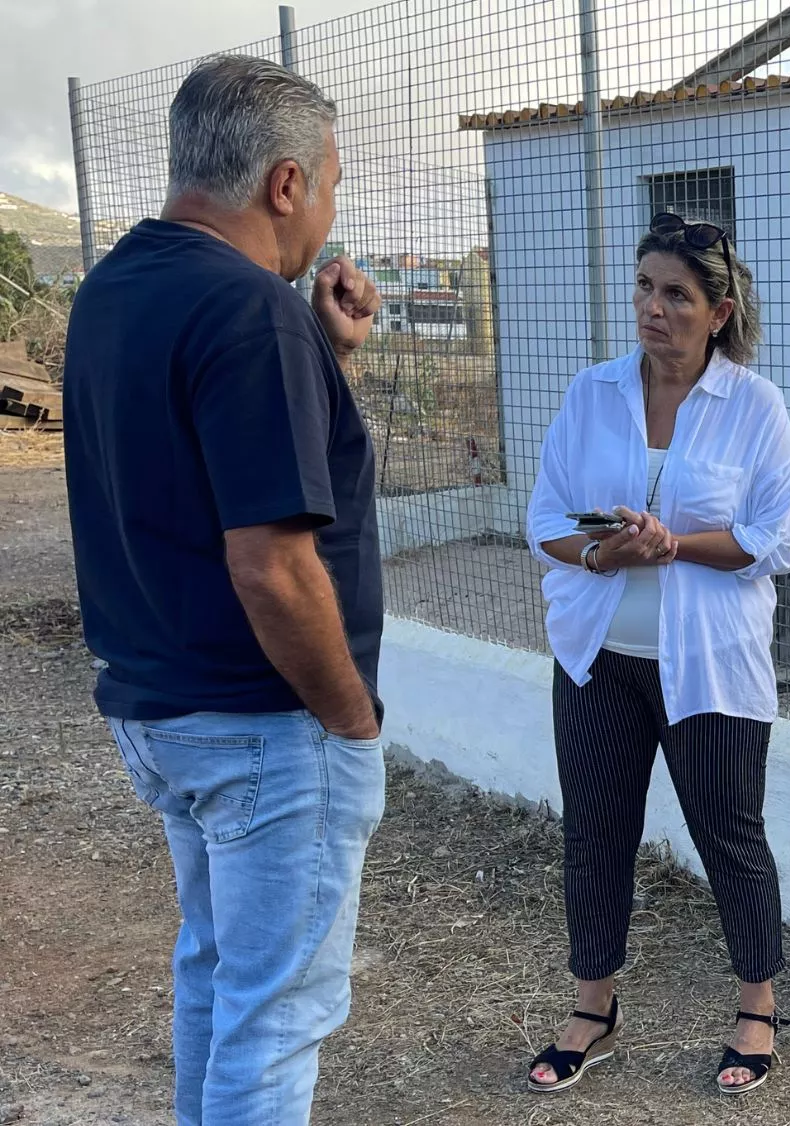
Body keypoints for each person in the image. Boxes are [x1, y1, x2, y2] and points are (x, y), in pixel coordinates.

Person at [62, 55, 384, 1126]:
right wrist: (351, 721)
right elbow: (273, 564)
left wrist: (320, 353)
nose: (325, 212)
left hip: (160, 707)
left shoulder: (114, 288)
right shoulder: (249, 313)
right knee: (277, 1013)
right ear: (284, 185)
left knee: (217, 973)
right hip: (261, 725)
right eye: (329, 185)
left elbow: (202, 469)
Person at [523, 211, 790, 1095]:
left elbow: (780, 537)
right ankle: (593, 1005)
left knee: (731, 835)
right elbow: (544, 522)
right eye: (645, 287)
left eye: (677, 294)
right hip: (598, 655)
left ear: (717, 311)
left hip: (711, 664)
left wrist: (676, 544)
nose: (654, 308)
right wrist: (607, 553)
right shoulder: (592, 393)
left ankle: (756, 1009)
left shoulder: (754, 406)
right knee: (595, 833)